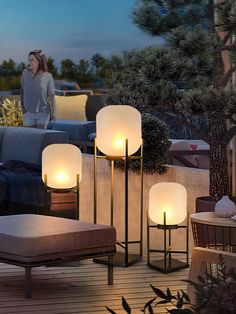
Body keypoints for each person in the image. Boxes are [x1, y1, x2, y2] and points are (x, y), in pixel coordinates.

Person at [20, 49, 56, 129]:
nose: (30, 62)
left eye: (32, 60)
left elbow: (52, 96)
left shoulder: (48, 76)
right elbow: (22, 92)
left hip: (43, 114)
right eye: (29, 60)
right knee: (28, 138)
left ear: (40, 61)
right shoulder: (25, 73)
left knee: (40, 139)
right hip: (28, 113)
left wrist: (54, 113)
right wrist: (23, 109)